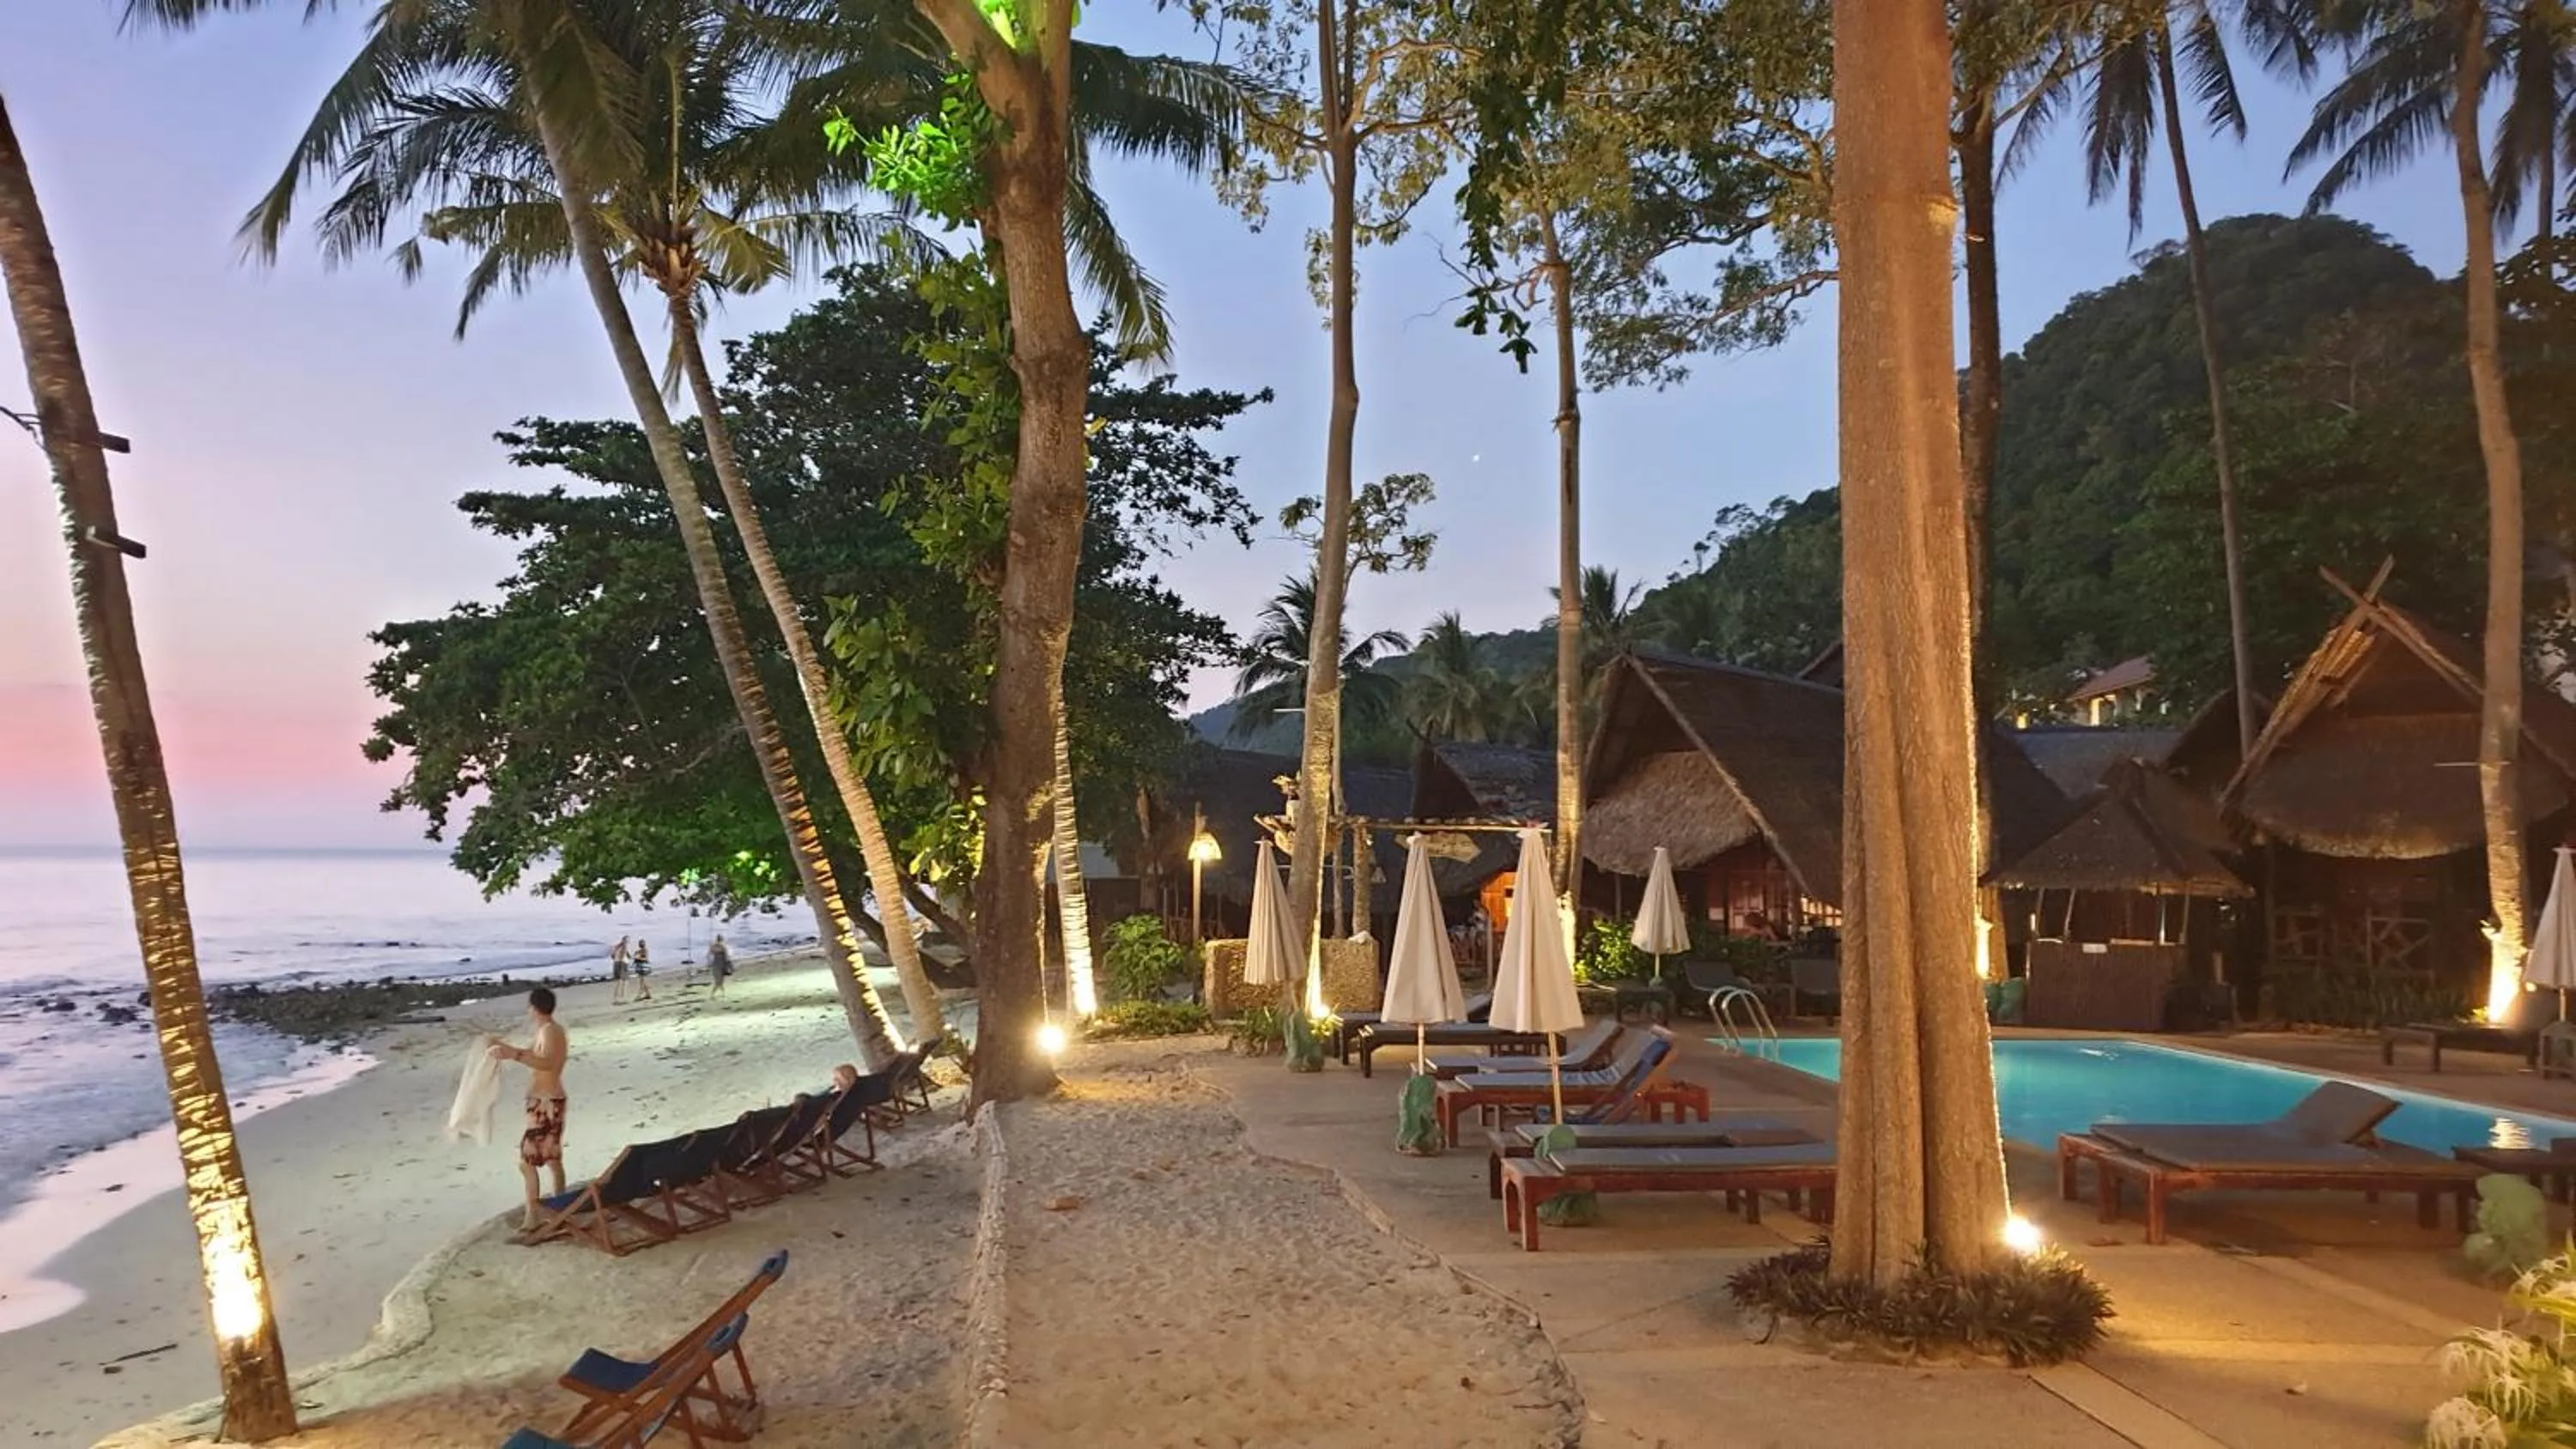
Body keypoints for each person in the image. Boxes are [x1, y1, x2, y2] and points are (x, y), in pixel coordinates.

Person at [488, 987, 569, 1235]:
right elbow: (534, 1055)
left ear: (535, 1008)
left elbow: (548, 1063)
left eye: (529, 1007)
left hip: (547, 1104)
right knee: (553, 1159)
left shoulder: (552, 1032)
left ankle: (533, 1216)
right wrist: (502, 1047)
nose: (528, 1011)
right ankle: (561, 1206)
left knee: (527, 1162)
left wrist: (514, 1055)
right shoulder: (547, 1031)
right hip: (546, 1102)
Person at [706, 933, 733, 997]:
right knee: (719, 981)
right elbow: (727, 957)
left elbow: (708, 955)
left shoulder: (713, 946)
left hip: (716, 964)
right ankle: (714, 994)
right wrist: (730, 966)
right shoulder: (723, 946)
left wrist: (709, 963)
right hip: (722, 965)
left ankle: (722, 993)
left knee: (719, 981)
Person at [609, 935, 631, 1005]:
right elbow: (626, 955)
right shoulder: (625, 946)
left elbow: (612, 956)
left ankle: (615, 999)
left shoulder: (616, 947)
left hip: (616, 963)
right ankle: (623, 998)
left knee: (617, 982)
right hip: (623, 963)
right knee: (624, 981)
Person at [631, 938, 653, 1002]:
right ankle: (648, 994)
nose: (641, 944)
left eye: (642, 943)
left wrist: (638, 958)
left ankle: (639, 996)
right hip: (640, 968)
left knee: (642, 982)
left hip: (644, 968)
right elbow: (634, 956)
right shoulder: (639, 951)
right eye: (640, 943)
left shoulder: (645, 950)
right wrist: (635, 956)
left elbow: (645, 958)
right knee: (643, 982)